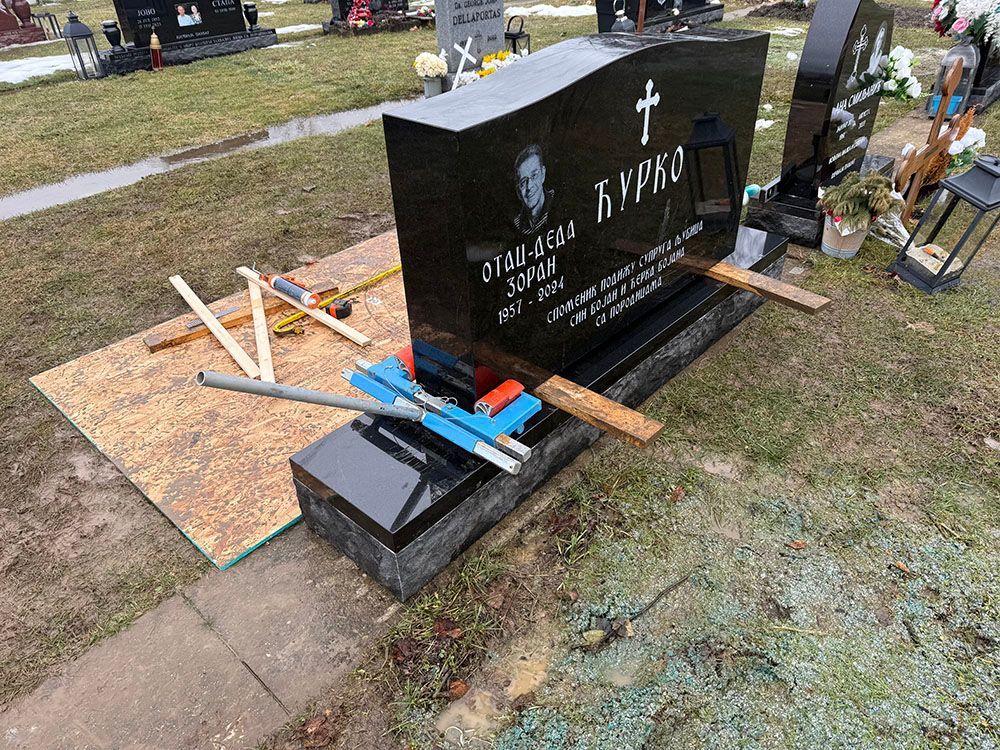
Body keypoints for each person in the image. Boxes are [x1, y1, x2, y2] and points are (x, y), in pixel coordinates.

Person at [513, 144, 554, 236]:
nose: (529, 187)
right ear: (518, 191)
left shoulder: (558, 204)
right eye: (523, 182)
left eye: (534, 175)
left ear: (543, 174)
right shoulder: (516, 226)